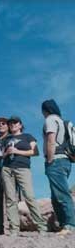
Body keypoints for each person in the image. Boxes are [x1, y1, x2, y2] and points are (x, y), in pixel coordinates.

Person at [1, 116, 47, 235]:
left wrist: (17, 151)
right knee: (10, 199)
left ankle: (41, 226)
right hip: (7, 169)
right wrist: (7, 152)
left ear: (20, 125)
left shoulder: (28, 136)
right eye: (10, 123)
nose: (13, 124)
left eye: (15, 122)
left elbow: (35, 152)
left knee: (29, 197)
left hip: (23, 168)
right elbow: (2, 155)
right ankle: (14, 229)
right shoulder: (7, 139)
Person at [42, 99, 75, 235]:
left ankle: (70, 225)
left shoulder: (50, 120)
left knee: (61, 194)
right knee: (56, 195)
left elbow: (51, 140)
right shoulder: (61, 121)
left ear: (45, 110)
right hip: (66, 161)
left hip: (56, 161)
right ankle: (63, 224)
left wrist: (49, 160)